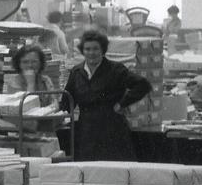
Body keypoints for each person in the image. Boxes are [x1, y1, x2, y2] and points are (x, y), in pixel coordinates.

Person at [61, 28, 152, 160]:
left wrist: (122, 104)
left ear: (102, 50)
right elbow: (68, 99)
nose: (91, 53)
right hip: (87, 130)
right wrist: (57, 113)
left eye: (95, 49)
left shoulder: (116, 69)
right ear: (82, 51)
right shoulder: (76, 72)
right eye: (87, 49)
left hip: (112, 128)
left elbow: (143, 85)